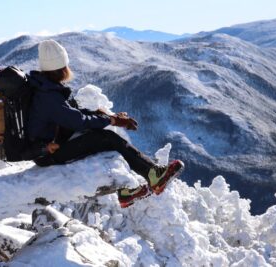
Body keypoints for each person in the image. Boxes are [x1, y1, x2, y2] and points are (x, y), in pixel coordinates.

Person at [27, 40, 184, 208]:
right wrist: (112, 120)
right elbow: (78, 121)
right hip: (48, 152)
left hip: (50, 143)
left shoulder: (45, 87)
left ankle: (125, 190)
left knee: (99, 139)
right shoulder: (49, 95)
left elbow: (70, 114)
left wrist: (104, 116)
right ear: (62, 67)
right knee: (107, 138)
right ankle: (152, 175)